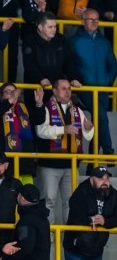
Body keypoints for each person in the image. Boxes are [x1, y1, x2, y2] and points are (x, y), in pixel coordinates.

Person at [33, 78, 95, 223]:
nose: (67, 92)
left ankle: (69, 234)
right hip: (50, 164)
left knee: (72, 201)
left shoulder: (77, 110)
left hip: (71, 165)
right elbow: (41, 131)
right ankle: (48, 234)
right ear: (54, 91)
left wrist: (88, 129)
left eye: (69, 88)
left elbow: (88, 136)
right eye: (63, 88)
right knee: (48, 201)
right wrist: (63, 129)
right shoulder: (46, 108)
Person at [63, 165, 117, 260]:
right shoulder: (80, 193)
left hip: (96, 249)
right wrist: (90, 219)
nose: (105, 182)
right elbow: (76, 216)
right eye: (100, 179)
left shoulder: (113, 194)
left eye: (107, 178)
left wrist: (105, 221)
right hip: (76, 248)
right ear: (91, 179)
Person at [68, 8, 116, 154]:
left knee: (98, 121)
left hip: (103, 89)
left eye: (97, 19)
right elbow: (69, 64)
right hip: (85, 89)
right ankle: (108, 151)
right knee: (101, 117)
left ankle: (92, 162)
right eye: (90, 19)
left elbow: (113, 64)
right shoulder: (74, 41)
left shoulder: (104, 42)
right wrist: (76, 80)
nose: (94, 22)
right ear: (83, 21)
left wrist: (108, 80)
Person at [21, 12, 73, 114]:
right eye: (50, 27)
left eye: (55, 26)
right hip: (36, 88)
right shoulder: (29, 40)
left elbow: (69, 61)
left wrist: (73, 78)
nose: (54, 29)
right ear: (40, 27)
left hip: (57, 89)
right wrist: (40, 78)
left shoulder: (61, 39)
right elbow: (29, 64)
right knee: (36, 118)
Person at [0, 84, 36, 182]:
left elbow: (39, 120)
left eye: (14, 92)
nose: (12, 95)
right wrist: (11, 100)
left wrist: (39, 104)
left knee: (27, 190)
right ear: (0, 96)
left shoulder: (24, 109)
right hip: (6, 163)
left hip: (25, 162)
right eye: (8, 92)